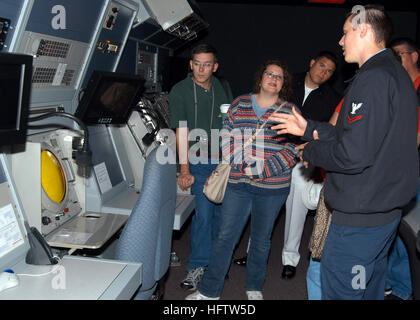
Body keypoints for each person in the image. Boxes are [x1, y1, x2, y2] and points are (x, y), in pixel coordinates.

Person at [270, 5, 419, 299]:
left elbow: (354, 154)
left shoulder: (374, 78)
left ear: (364, 31)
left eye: (345, 33)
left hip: (360, 220)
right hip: (382, 213)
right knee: (368, 289)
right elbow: (362, 137)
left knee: (343, 292)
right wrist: (309, 128)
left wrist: (311, 152)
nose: (341, 41)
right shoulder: (395, 74)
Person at [186, 59, 299, 300]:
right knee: (225, 237)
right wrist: (242, 163)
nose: (273, 79)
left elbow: (293, 150)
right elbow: (226, 136)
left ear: (283, 84)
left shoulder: (290, 112)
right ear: (260, 77)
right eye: (269, 74)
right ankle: (208, 291)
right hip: (238, 184)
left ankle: (254, 287)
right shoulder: (239, 103)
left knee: (261, 240)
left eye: (279, 77)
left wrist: (263, 169)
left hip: (273, 187)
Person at [233, 53, 341, 280]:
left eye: (330, 70)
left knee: (296, 211)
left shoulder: (332, 97)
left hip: (304, 159)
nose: (324, 72)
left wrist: (318, 167)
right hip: (273, 154)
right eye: (322, 66)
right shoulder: (286, 82)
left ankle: (289, 259)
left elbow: (329, 135)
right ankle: (253, 253)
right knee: (260, 206)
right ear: (311, 63)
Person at [169, 43, 233, 291]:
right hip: (198, 161)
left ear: (215, 67)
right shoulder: (180, 91)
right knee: (204, 217)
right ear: (190, 64)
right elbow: (181, 132)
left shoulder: (221, 87)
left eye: (207, 64)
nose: (201, 69)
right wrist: (184, 170)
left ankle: (214, 267)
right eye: (197, 63)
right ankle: (196, 267)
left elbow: (228, 123)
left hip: (222, 161)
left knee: (221, 217)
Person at [383, 37, 420, 300]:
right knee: (394, 228)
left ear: (414, 56)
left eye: (400, 55)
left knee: (411, 231)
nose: (395, 60)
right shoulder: (396, 85)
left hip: (415, 170)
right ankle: (391, 281)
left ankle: (404, 289)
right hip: (394, 169)